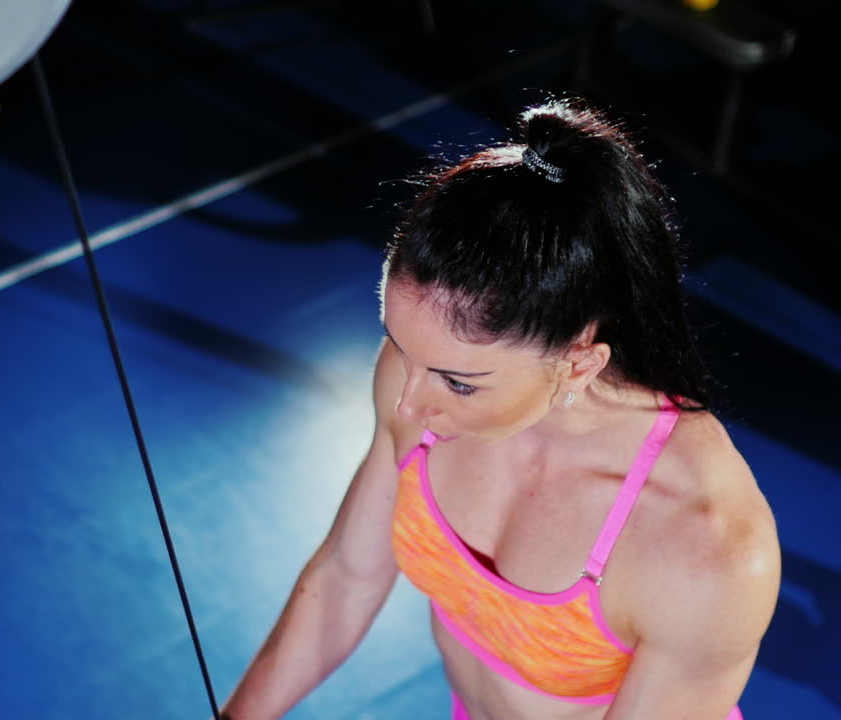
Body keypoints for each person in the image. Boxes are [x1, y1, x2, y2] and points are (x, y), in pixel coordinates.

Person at [218, 100, 781, 720]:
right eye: (402, 349)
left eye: (459, 384)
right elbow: (347, 577)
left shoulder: (705, 546)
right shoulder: (421, 379)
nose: (409, 402)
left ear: (579, 363)